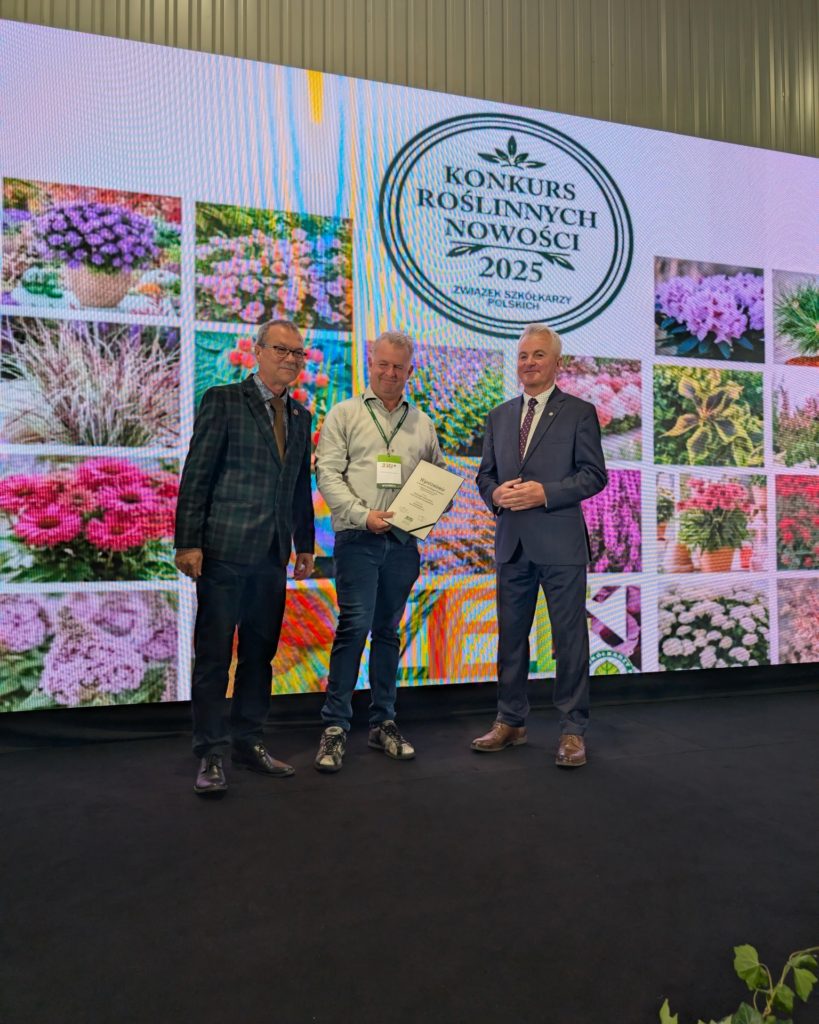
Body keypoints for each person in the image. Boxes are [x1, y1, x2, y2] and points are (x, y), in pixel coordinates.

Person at [175, 319, 315, 796]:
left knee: (260, 656)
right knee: (214, 658)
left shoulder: (301, 417)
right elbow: (197, 473)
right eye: (282, 349)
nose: (291, 359)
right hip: (223, 552)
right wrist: (187, 542)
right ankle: (211, 752)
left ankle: (248, 741)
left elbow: (298, 486)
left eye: (298, 353)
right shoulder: (223, 400)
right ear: (257, 351)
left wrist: (305, 544)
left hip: (272, 557)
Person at [473, 323, 607, 767]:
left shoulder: (579, 412)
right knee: (511, 638)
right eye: (523, 355)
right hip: (512, 544)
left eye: (538, 355)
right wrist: (494, 494)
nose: (528, 362)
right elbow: (485, 475)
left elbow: (594, 475)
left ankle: (572, 730)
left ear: (556, 362)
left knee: (569, 640)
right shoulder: (499, 416)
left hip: (560, 545)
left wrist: (544, 493)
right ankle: (510, 721)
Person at [313, 331, 446, 772]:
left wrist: (431, 507)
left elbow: (438, 476)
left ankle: (383, 721)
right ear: (371, 365)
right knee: (354, 628)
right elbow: (328, 474)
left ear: (410, 371)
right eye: (383, 365)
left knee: (388, 632)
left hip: (403, 544)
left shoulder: (422, 424)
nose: (390, 373)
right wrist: (361, 514)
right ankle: (335, 726)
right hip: (359, 539)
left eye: (398, 367)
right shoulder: (345, 414)